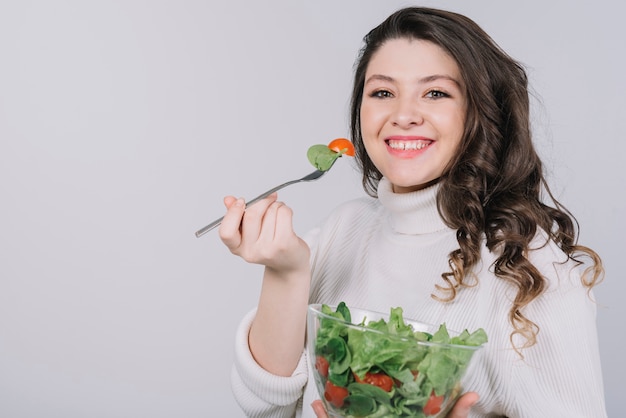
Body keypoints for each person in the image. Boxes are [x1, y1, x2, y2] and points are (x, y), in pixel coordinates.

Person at [219, 6, 606, 418]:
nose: (402, 115)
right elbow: (266, 408)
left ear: (479, 111)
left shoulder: (529, 268)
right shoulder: (344, 228)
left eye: (436, 93)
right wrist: (287, 271)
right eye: (382, 92)